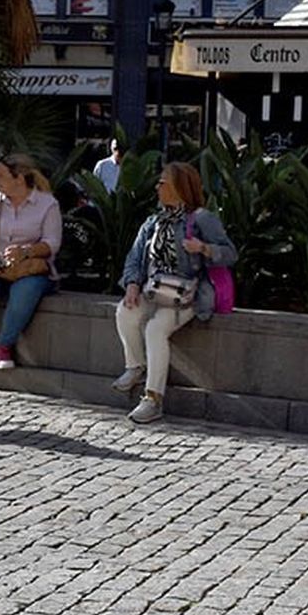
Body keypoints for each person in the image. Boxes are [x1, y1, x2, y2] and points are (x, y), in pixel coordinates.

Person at [112, 160, 237, 424]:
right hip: (155, 290)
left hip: (188, 295)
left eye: (163, 182)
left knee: (155, 329)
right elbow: (134, 257)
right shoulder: (153, 222)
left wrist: (203, 248)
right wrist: (132, 283)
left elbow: (230, 253)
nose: (157, 187)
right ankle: (135, 366)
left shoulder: (201, 218)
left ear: (179, 187)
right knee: (125, 312)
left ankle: (153, 399)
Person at [0, 153, 62, 370]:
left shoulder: (47, 204)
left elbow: (52, 243)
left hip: (30, 269)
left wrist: (25, 251)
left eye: (1, 175)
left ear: (19, 178)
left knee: (26, 290)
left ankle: (4, 346)